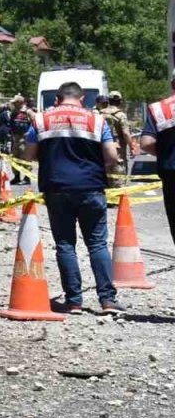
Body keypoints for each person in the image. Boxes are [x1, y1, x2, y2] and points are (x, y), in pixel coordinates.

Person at [26, 81, 123, 314]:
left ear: (57, 99)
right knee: (97, 243)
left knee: (65, 244)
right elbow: (111, 155)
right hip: (91, 187)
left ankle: (74, 301)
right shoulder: (96, 120)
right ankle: (107, 300)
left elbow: (29, 154)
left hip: (56, 188)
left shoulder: (41, 120)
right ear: (81, 99)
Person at [139, 79, 175, 247]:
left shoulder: (160, 108)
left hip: (171, 172)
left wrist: (165, 153)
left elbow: (146, 143)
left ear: (172, 84)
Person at [101, 91, 137, 184]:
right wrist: (132, 146)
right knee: (119, 177)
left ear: (108, 101)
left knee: (105, 178)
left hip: (102, 148)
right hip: (118, 150)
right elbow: (126, 133)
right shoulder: (121, 115)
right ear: (120, 101)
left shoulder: (100, 114)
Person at [8, 97, 32, 183]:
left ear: (20, 102)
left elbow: (34, 123)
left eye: (15, 102)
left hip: (25, 137)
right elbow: (11, 125)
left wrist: (29, 133)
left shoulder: (28, 112)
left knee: (25, 157)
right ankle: (16, 176)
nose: (14, 104)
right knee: (15, 157)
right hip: (15, 138)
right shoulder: (13, 113)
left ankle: (27, 177)